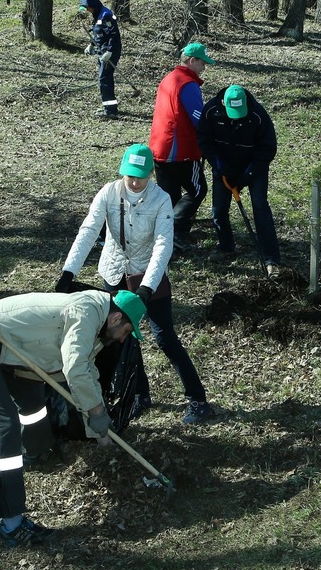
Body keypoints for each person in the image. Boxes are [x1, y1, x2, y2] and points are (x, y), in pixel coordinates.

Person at [0, 288, 144, 547]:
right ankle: (11, 523)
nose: (122, 339)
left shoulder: (98, 328)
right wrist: (95, 412)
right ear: (116, 318)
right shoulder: (87, 311)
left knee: (32, 404)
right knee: (3, 424)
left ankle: (34, 453)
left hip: (17, 354)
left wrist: (99, 429)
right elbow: (74, 367)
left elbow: (87, 372)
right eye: (127, 331)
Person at [57, 144, 216, 425]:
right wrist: (69, 272)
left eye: (139, 176)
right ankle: (140, 393)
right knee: (123, 337)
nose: (133, 182)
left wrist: (147, 287)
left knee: (164, 336)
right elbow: (89, 230)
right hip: (115, 273)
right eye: (129, 175)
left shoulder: (160, 199)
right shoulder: (108, 193)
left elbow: (163, 244)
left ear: (150, 174)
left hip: (147, 275)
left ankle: (198, 399)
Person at [197, 84, 281, 276]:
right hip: (224, 167)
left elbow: (268, 149)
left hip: (254, 167)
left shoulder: (258, 115)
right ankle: (226, 246)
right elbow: (204, 141)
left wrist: (248, 174)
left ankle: (271, 257)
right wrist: (220, 167)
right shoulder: (211, 111)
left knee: (260, 206)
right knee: (218, 210)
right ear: (222, 104)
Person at [148, 42, 213, 251]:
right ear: (192, 61)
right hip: (181, 150)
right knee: (198, 189)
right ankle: (176, 230)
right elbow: (198, 117)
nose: (204, 67)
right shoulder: (187, 84)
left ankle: (165, 235)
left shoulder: (168, 79)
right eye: (203, 62)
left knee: (170, 196)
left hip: (159, 148)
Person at [80, 0, 123, 119]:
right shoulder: (97, 15)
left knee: (104, 78)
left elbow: (113, 35)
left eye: (88, 7)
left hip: (110, 51)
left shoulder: (106, 15)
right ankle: (108, 107)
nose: (87, 10)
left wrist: (109, 51)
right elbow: (98, 32)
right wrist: (91, 45)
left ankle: (111, 111)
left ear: (93, 5)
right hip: (102, 51)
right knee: (104, 78)